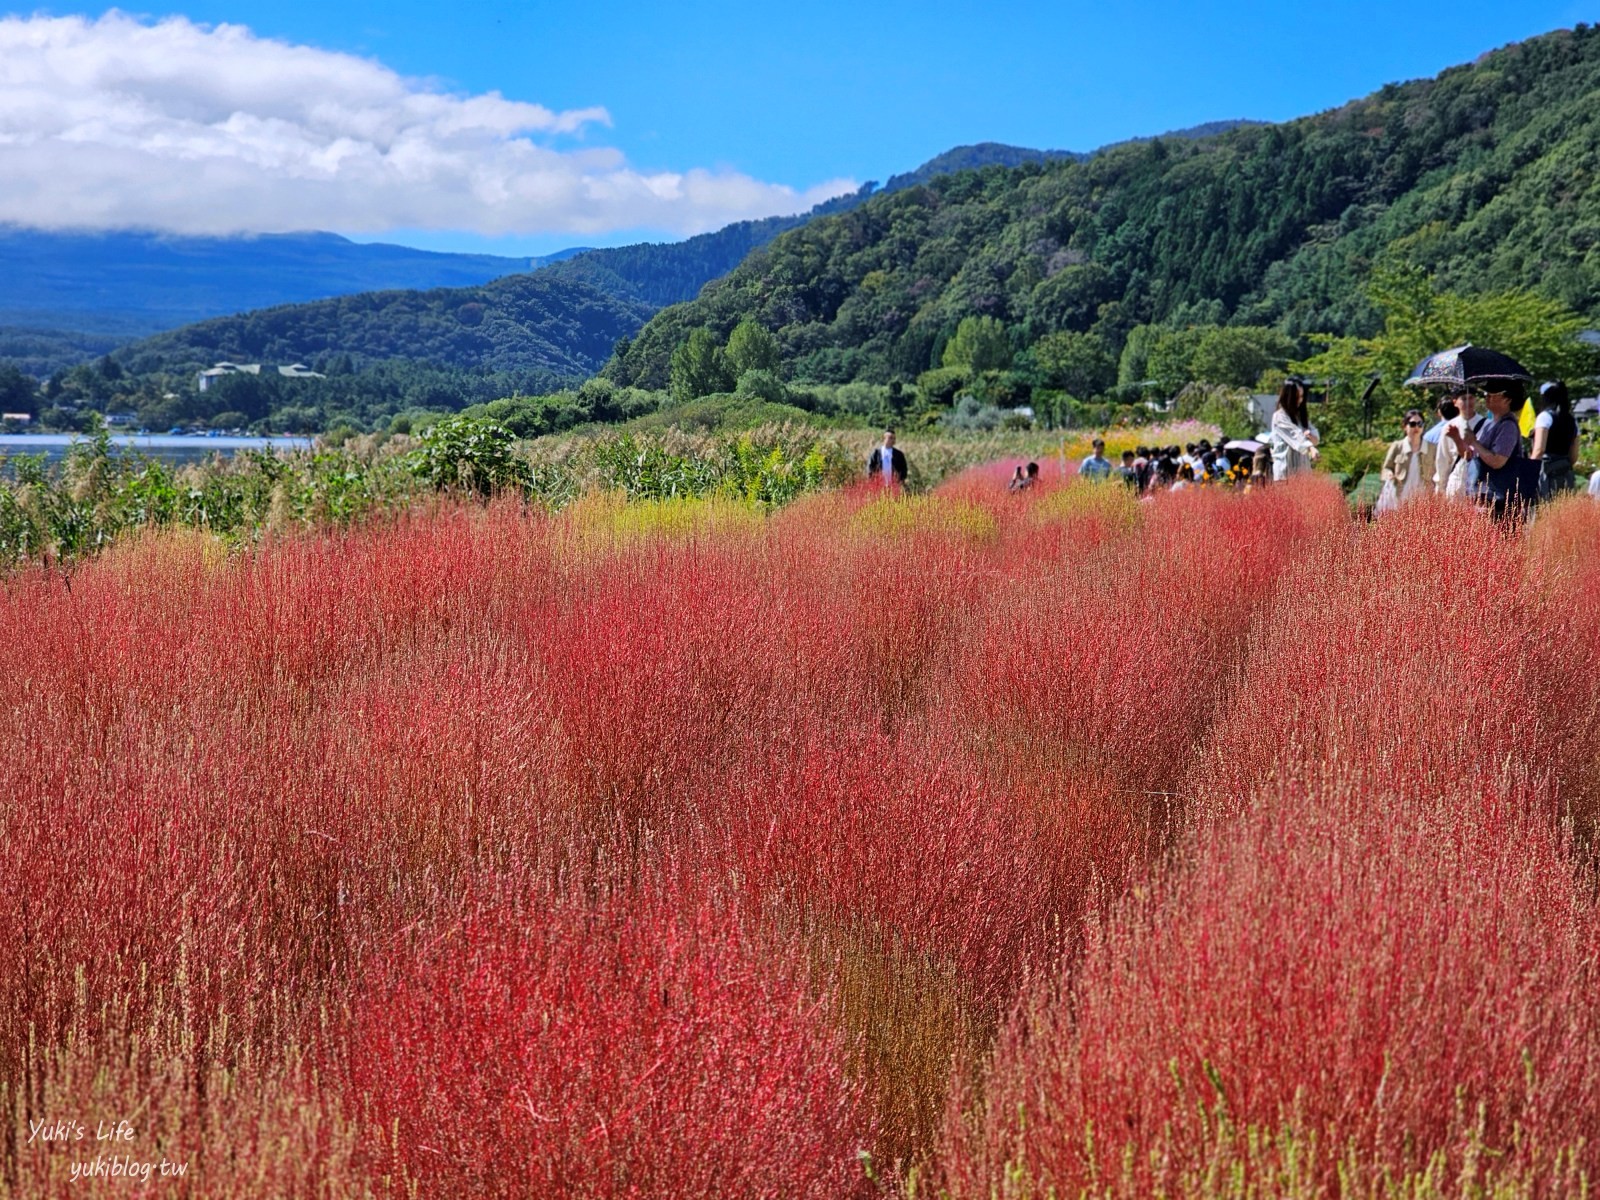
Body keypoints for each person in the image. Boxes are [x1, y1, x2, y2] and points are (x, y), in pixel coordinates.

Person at [1446, 378, 1532, 521]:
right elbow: (1471, 456)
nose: (1487, 397)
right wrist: (1458, 439)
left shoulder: (1507, 426)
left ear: (1507, 399)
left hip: (1500, 504)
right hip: (1485, 499)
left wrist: (1474, 441)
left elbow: (1498, 460)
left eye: (1493, 394)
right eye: (1486, 393)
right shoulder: (1490, 424)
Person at [1379, 408, 1437, 509]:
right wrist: (1389, 474)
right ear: (1405, 427)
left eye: (1420, 424)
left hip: (1424, 497)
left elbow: (1439, 471)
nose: (1416, 427)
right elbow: (1386, 468)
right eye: (1412, 424)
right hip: (1400, 496)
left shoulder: (1431, 448)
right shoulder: (1397, 446)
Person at [1531, 380, 1580, 497]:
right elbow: (1573, 456)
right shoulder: (1572, 421)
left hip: (1547, 473)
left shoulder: (1544, 417)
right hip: (1565, 474)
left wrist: (1528, 470)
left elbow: (1539, 450)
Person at [1269, 379, 1320, 480]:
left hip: (1302, 474)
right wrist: (1310, 447)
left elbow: (1315, 438)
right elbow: (1295, 434)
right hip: (1285, 475)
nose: (1300, 400)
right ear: (1288, 397)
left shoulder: (1300, 417)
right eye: (1296, 397)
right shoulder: (1279, 417)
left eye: (1302, 396)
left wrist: (1311, 437)